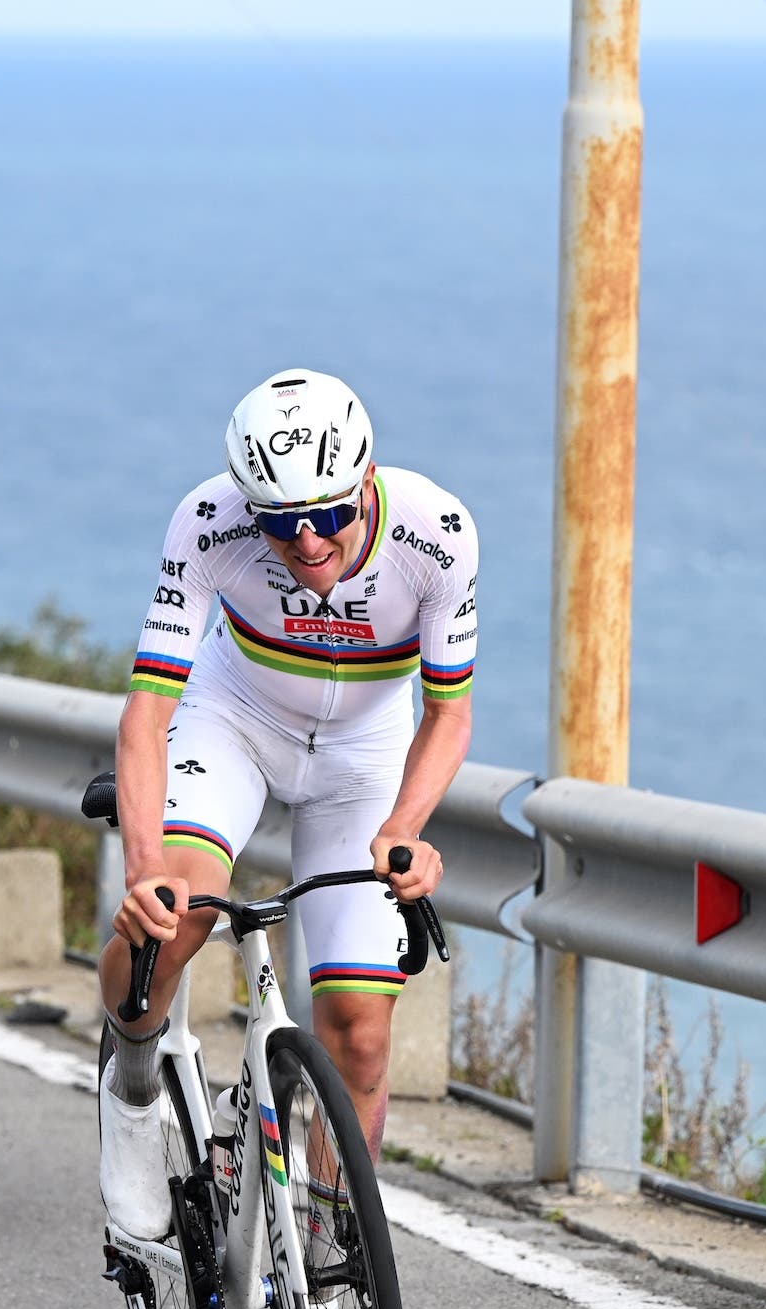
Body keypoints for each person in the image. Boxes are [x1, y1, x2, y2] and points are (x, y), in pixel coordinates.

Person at [96, 367, 477, 1248]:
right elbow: (150, 710)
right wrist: (144, 868)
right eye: (278, 521)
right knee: (174, 916)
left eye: (330, 516)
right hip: (237, 721)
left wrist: (405, 831)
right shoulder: (207, 522)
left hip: (364, 757)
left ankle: (333, 1272)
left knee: (362, 1037)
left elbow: (450, 712)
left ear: (366, 480)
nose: (306, 543)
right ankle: (132, 1088)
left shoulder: (438, 534)